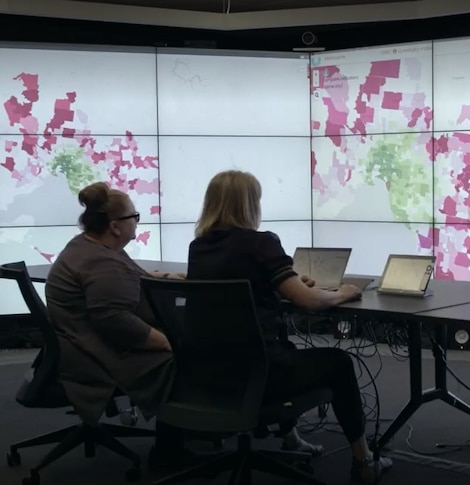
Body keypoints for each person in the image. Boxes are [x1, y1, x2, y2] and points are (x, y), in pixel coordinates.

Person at [186, 170, 392, 483]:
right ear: (249, 204)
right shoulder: (261, 243)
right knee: (339, 362)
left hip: (210, 375)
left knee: (285, 348)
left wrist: (287, 282)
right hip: (260, 377)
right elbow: (308, 302)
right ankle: (363, 460)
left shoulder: (198, 248)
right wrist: (342, 293)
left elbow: (238, 290)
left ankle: (291, 438)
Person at [43, 182, 188, 469]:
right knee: (181, 357)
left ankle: (181, 438)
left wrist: (168, 277)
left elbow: (132, 276)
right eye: (133, 216)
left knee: (179, 339)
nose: (136, 221)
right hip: (95, 354)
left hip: (79, 341)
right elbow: (116, 322)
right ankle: (170, 451)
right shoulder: (100, 262)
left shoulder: (90, 246)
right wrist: (169, 342)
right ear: (114, 226)